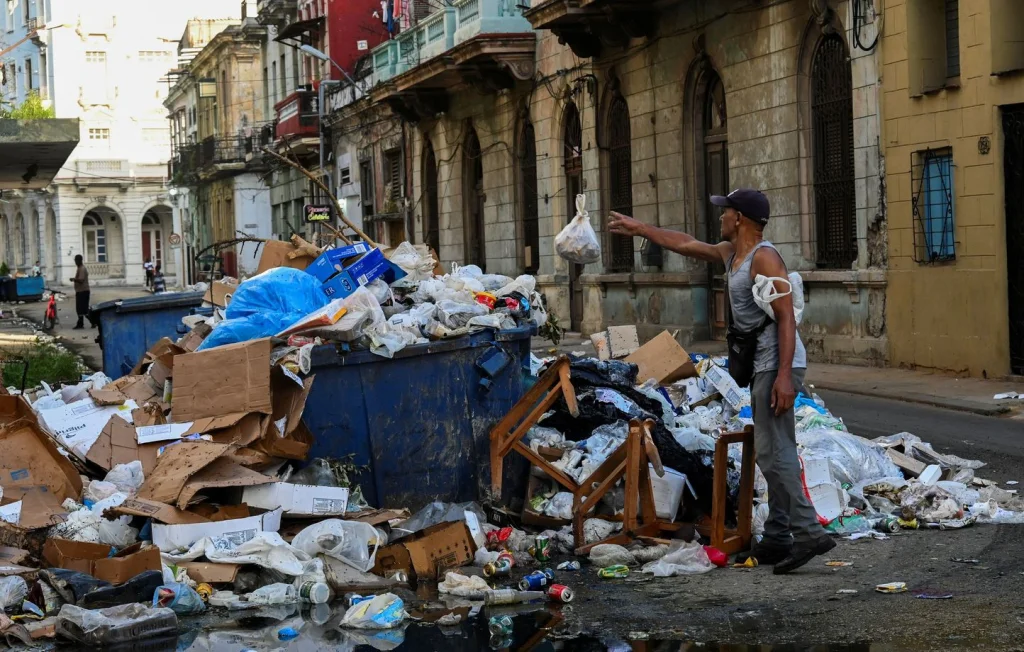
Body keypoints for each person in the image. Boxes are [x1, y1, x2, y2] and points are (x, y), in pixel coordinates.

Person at [609, 188, 834, 575]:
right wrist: (641, 229)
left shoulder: (763, 259)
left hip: (776, 364)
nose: (720, 217)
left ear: (741, 219)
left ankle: (808, 531)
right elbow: (686, 244)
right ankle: (780, 535)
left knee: (770, 452)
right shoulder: (734, 255)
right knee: (778, 448)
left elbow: (786, 318)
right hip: (764, 364)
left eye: (725, 211)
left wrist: (783, 378)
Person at [70, 254, 93, 329]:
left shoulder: (82, 269)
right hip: (80, 291)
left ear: (80, 260)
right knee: (80, 309)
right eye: (75, 260)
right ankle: (80, 323)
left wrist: (74, 279)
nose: (75, 262)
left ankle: (94, 322)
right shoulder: (79, 268)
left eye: (76, 260)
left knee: (84, 309)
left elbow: (81, 280)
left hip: (83, 291)